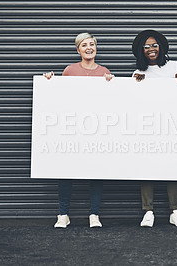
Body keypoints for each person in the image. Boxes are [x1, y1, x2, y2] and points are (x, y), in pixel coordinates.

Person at [43, 32, 113, 228]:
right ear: (78, 49)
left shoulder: (105, 72)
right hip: (72, 128)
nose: (89, 47)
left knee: (95, 172)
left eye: (92, 44)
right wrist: (49, 81)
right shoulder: (70, 70)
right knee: (66, 171)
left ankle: (94, 214)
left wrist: (112, 86)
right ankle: (63, 214)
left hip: (96, 129)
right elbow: (59, 96)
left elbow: (111, 102)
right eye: (84, 45)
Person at [131, 29, 177, 227]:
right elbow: (134, 101)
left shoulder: (174, 66)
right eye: (146, 46)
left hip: (172, 125)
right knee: (147, 167)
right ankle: (148, 212)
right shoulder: (138, 73)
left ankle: (175, 211)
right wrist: (136, 86)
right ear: (141, 50)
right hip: (148, 126)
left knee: (172, 167)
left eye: (154, 45)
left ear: (161, 47)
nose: (151, 49)